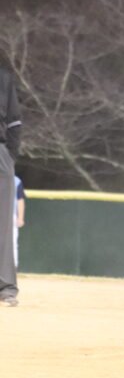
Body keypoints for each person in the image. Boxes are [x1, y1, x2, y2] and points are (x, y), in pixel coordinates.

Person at [0, 64, 22, 307]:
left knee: (2, 224)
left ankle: (5, 288)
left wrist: (9, 154)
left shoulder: (3, 77)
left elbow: (14, 121)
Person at [13, 175, 26, 269]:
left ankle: (13, 268)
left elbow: (20, 200)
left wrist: (20, 217)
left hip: (10, 215)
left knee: (12, 243)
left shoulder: (16, 181)